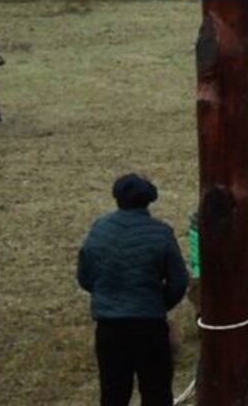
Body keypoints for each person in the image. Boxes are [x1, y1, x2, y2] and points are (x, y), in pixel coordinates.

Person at [77, 174, 189, 406]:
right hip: (149, 326)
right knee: (156, 393)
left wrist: (107, 296)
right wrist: (158, 304)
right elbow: (178, 282)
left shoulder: (99, 230)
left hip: (109, 328)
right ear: (149, 200)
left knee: (113, 394)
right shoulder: (161, 233)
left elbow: (85, 277)